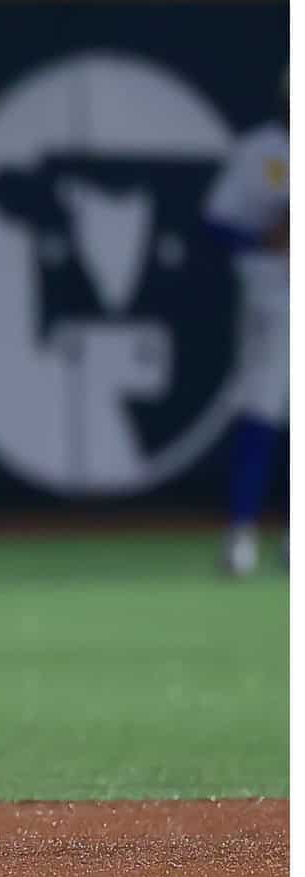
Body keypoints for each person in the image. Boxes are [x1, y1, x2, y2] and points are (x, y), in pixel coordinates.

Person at [204, 71, 289, 575]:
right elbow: (214, 224)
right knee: (260, 412)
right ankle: (241, 534)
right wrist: (265, 238)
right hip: (272, 296)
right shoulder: (259, 151)